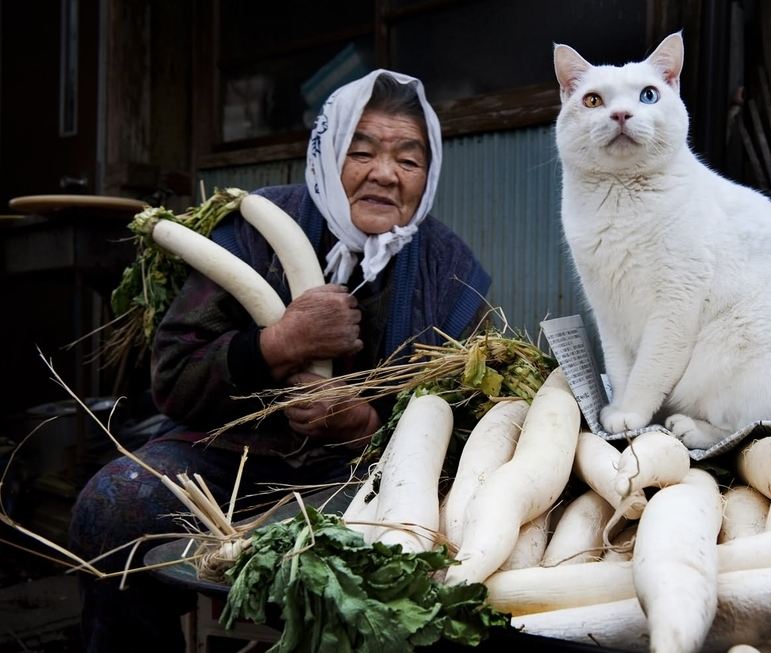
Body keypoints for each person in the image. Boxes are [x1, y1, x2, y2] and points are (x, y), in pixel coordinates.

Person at [68, 70, 490, 652]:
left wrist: (365, 422)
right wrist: (279, 344)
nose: (385, 174)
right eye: (360, 151)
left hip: (363, 480)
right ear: (326, 152)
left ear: (430, 172)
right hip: (224, 461)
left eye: (409, 161)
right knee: (112, 507)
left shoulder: (451, 272)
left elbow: (468, 421)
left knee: (435, 562)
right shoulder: (257, 227)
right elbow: (172, 379)